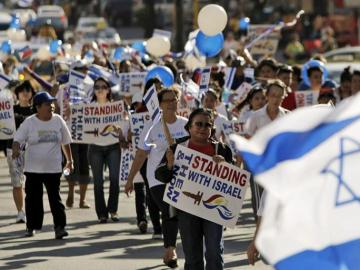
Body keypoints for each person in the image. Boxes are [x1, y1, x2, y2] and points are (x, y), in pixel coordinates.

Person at [155, 108, 233, 270]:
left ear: (212, 129)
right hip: (187, 210)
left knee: (214, 252)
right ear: (189, 127)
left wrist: (225, 166)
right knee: (192, 255)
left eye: (207, 125)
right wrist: (169, 164)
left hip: (213, 210)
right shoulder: (177, 148)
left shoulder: (222, 149)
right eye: (198, 124)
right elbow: (160, 175)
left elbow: (233, 181)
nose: (203, 128)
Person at [125, 88, 188, 268]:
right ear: (159, 104)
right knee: (169, 208)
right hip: (157, 179)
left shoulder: (186, 124)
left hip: (182, 178)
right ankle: (171, 250)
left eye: (174, 99)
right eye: (167, 100)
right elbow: (141, 154)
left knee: (174, 212)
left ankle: (170, 250)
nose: (171, 103)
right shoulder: (152, 127)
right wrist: (130, 179)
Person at [12, 91, 73, 239]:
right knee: (33, 199)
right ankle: (31, 226)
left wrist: (70, 161)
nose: (51, 106)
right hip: (33, 170)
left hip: (53, 169)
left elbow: (65, 142)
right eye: (47, 104)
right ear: (38, 107)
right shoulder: (30, 122)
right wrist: (15, 149)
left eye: (52, 103)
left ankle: (60, 227)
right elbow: (17, 139)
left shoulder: (58, 120)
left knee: (55, 199)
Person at [87, 77, 121, 223]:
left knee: (114, 179)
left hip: (113, 146)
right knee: (98, 182)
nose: (100, 89)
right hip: (95, 148)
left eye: (103, 86)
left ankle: (113, 210)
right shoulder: (88, 107)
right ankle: (101, 213)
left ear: (108, 90)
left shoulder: (116, 107)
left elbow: (121, 126)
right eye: (97, 87)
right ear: (94, 91)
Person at [6, 81, 35, 223]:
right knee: (17, 182)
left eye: (28, 90)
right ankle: (20, 212)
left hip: (32, 150)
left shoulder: (36, 110)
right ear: (17, 93)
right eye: (22, 90)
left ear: (32, 94)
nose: (25, 92)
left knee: (32, 182)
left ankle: (31, 210)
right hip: (13, 149)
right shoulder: (9, 110)